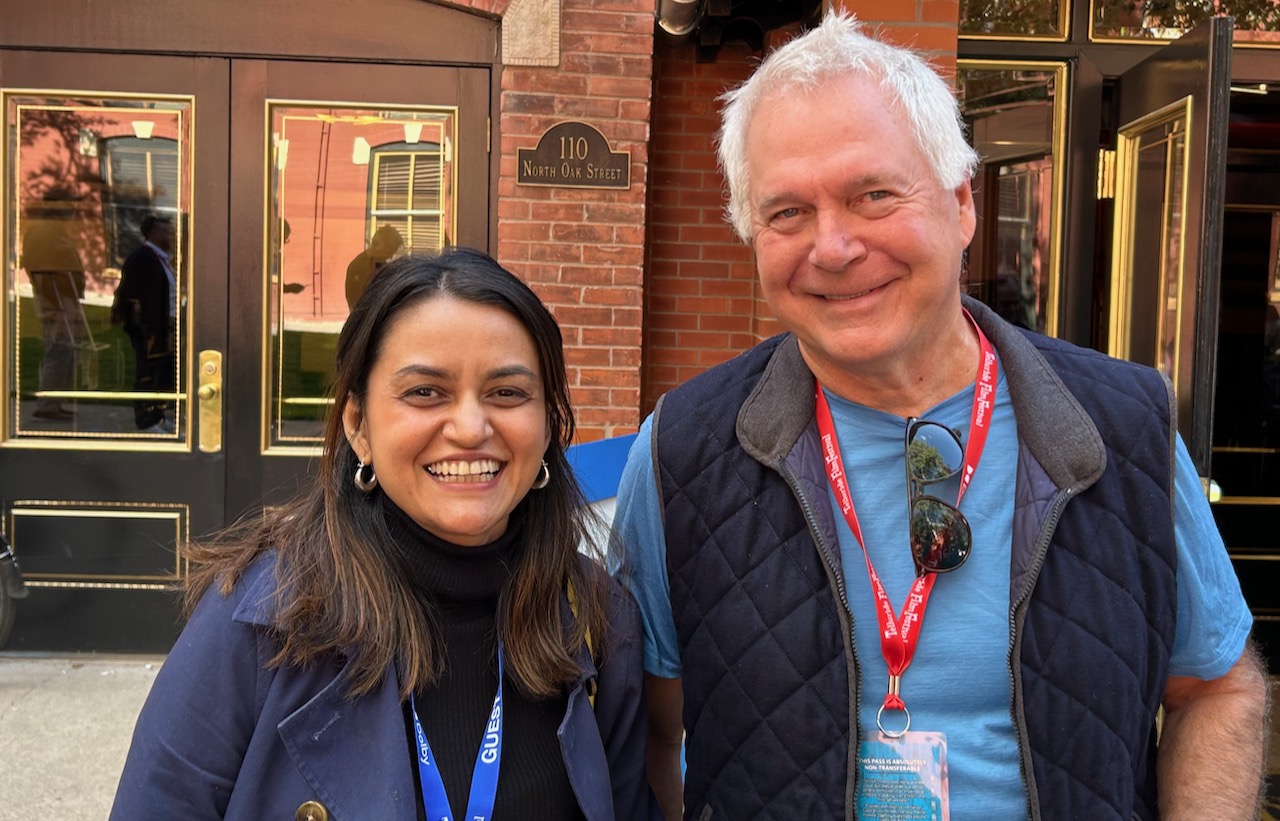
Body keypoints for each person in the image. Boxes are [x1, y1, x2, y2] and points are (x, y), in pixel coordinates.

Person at [610, 12, 1269, 821]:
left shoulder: (1120, 427)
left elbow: (1217, 686)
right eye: (786, 212)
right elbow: (647, 727)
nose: (834, 245)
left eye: (874, 194)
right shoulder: (682, 450)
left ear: (961, 205)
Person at [112, 248, 656, 820]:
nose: (471, 428)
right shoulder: (259, 621)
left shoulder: (599, 620)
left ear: (548, 425)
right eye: (425, 392)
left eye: (507, 393)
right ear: (358, 426)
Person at [20, 189, 88, 421]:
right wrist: (56, 305)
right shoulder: (42, 230)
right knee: (58, 349)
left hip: (66, 298)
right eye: (69, 204)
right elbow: (39, 270)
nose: (73, 210)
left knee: (69, 351)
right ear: (54, 204)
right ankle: (47, 405)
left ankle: (56, 401)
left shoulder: (56, 229)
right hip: (56, 300)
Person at [111, 214, 178, 433]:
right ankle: (144, 420)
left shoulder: (162, 259)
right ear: (155, 234)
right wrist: (142, 329)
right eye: (168, 233)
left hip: (164, 326)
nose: (173, 237)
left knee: (163, 374)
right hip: (148, 329)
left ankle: (158, 416)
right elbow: (130, 295)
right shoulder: (141, 258)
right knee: (147, 374)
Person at [345, 224, 405, 310]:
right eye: (390, 251)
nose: (391, 256)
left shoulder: (380, 264)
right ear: (379, 246)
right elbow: (357, 303)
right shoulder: (359, 266)